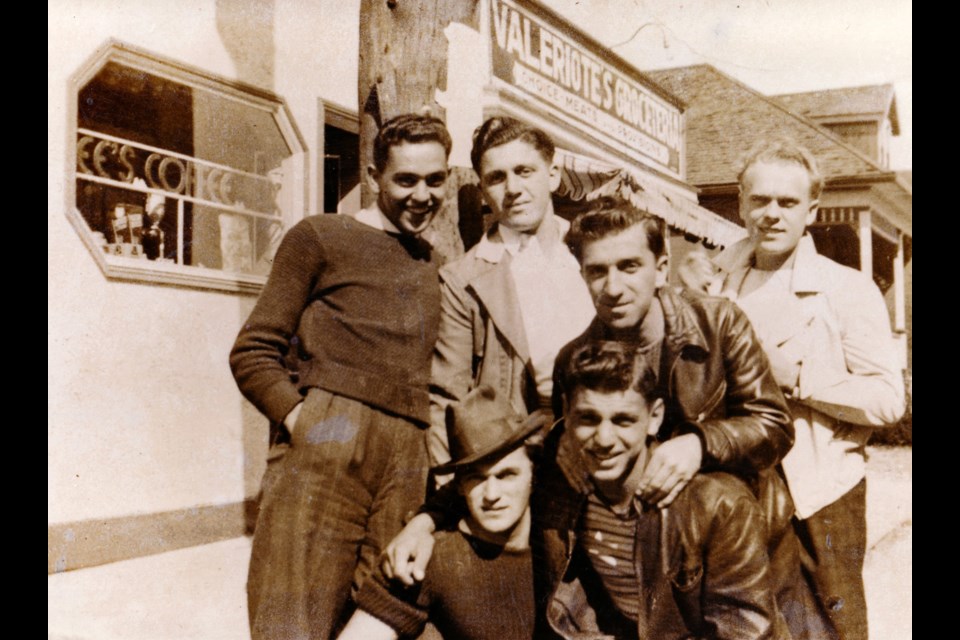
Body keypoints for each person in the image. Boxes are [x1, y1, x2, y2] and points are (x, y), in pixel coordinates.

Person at [385, 196, 825, 634]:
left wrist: (698, 443)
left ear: (662, 267)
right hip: (634, 548)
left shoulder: (718, 323)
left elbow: (774, 423)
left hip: (732, 538)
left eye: (629, 266)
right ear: (582, 276)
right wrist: (428, 520)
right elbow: (518, 453)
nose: (613, 287)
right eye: (597, 271)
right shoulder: (574, 360)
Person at [229, 113, 452, 640]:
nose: (421, 195)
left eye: (435, 180)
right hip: (331, 438)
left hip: (409, 459)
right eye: (405, 180)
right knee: (292, 621)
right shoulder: (320, 236)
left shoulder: (438, 265)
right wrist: (310, 421)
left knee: (386, 617)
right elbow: (253, 351)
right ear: (375, 176)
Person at [712, 138, 906, 640]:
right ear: (740, 202)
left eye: (787, 202)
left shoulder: (846, 289)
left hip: (817, 494)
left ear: (811, 210)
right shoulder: (716, 283)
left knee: (829, 628)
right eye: (760, 200)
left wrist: (797, 378)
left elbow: (887, 399)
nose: (771, 214)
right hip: (734, 490)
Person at [539, 341, 791, 639]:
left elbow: (745, 632)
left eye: (623, 420)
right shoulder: (562, 491)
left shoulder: (718, 505)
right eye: (588, 418)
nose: (604, 439)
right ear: (567, 412)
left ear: (654, 417)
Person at [427, 116, 596, 479]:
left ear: (552, 176)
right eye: (497, 177)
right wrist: (446, 495)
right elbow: (446, 399)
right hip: (518, 463)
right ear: (484, 190)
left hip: (606, 445)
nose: (513, 188)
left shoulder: (592, 254)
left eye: (524, 171)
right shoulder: (463, 280)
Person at [337, 385, 547, 640]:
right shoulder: (432, 559)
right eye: (475, 479)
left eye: (506, 475)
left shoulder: (556, 552)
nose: (491, 494)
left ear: (534, 475)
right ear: (458, 485)